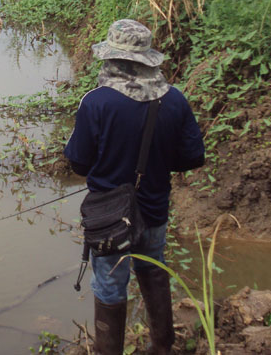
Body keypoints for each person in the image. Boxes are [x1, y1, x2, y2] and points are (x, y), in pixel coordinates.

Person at [64, 19, 205, 355]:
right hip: (154, 208)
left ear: (111, 61)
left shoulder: (96, 102)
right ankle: (162, 347)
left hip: (109, 217)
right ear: (146, 60)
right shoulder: (175, 100)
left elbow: (79, 163)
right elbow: (192, 157)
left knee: (111, 285)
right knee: (153, 269)